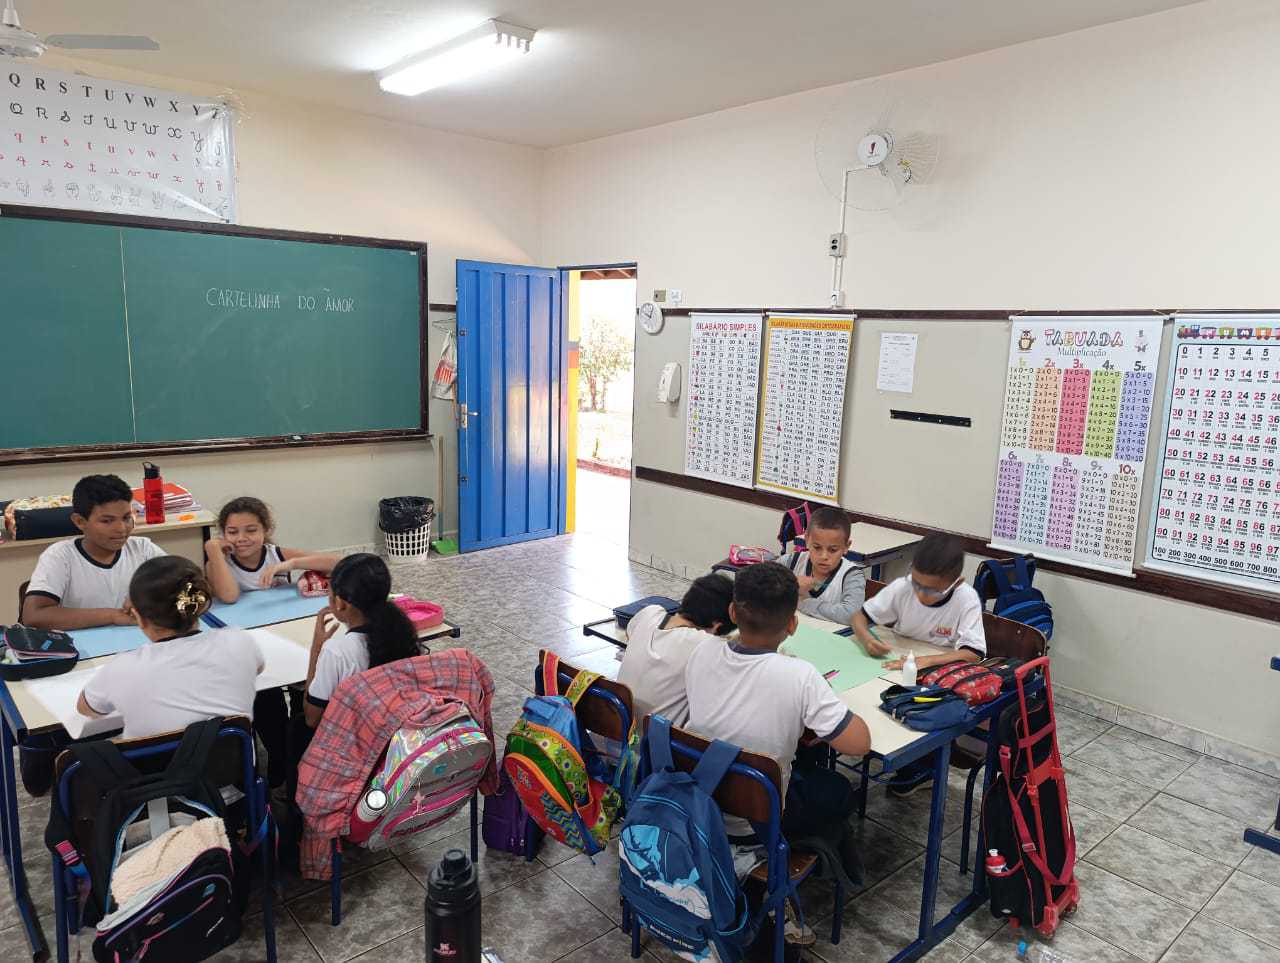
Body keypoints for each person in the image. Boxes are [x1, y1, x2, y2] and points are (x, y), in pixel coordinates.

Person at [684, 562, 871, 947]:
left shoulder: (701, 651)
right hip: (756, 819)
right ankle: (788, 878)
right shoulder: (799, 676)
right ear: (793, 624)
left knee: (801, 765)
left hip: (701, 802)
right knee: (839, 791)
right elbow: (859, 744)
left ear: (732, 611)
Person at [853, 532, 986, 796]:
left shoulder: (966, 598)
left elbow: (974, 653)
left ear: (956, 582)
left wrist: (929, 660)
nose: (921, 595)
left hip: (934, 674)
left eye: (931, 590)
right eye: (917, 584)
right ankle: (905, 762)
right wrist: (866, 639)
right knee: (871, 704)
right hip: (897, 663)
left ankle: (923, 768)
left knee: (916, 714)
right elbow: (860, 617)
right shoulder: (903, 587)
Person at [76, 557, 262, 739]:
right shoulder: (239, 641)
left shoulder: (121, 668)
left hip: (152, 760)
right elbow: (257, 668)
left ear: (138, 617)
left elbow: (86, 709)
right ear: (199, 605)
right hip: (232, 757)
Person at [284, 553, 421, 798]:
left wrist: (317, 647)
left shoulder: (337, 651)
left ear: (340, 603)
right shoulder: (403, 633)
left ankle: (296, 800)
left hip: (352, 746)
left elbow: (312, 719)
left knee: (297, 725)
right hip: (393, 736)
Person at [22, 474, 166, 630]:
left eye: (126, 518)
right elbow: (34, 616)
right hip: (83, 644)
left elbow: (184, 587)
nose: (121, 528)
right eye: (107, 521)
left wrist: (152, 595)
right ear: (80, 521)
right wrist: (112, 616)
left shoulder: (143, 549)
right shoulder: (60, 556)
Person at [618, 573, 735, 726]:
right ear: (716, 627)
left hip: (616, 726)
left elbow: (630, 633)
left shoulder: (650, 613)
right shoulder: (704, 643)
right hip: (654, 738)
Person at [204, 496, 339, 603]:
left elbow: (340, 563)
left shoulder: (275, 554)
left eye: (251, 530)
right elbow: (229, 597)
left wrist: (292, 564)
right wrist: (213, 549)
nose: (241, 538)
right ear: (223, 533)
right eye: (232, 532)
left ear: (266, 530)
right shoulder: (217, 563)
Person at [777, 506, 866, 626]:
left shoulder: (852, 575)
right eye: (817, 547)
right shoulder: (792, 561)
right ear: (807, 540)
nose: (824, 556)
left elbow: (852, 615)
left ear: (846, 546)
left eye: (833, 550)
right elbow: (757, 584)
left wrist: (800, 601)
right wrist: (790, 585)